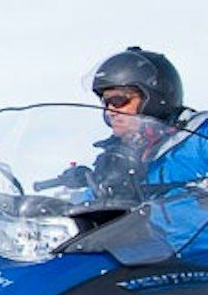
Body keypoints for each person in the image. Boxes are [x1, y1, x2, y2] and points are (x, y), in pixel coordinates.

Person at [87, 48, 208, 256]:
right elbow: (90, 205)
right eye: (105, 103)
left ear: (153, 99)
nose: (109, 111)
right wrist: (59, 209)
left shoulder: (199, 138)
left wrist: (147, 218)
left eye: (118, 101)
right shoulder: (116, 156)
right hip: (148, 267)